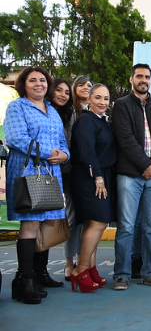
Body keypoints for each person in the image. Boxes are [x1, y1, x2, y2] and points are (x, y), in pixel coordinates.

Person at [4, 66, 69, 304]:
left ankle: (38, 276)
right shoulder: (18, 106)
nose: (38, 84)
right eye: (32, 80)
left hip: (51, 172)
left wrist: (63, 155)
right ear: (24, 84)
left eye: (42, 80)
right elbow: (15, 137)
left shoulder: (52, 110)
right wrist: (46, 152)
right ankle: (25, 281)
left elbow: (62, 142)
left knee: (45, 223)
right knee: (31, 223)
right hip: (28, 170)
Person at [111, 63, 151, 290]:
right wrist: (145, 164)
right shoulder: (121, 105)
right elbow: (125, 139)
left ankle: (150, 273)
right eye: (139, 76)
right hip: (129, 175)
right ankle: (122, 275)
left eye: (146, 77)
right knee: (127, 226)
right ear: (131, 79)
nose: (143, 80)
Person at [70, 84, 117, 292]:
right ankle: (79, 269)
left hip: (102, 175)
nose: (102, 102)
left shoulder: (103, 121)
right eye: (97, 97)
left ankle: (90, 267)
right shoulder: (85, 121)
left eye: (106, 99)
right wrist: (98, 177)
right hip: (91, 178)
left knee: (93, 224)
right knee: (98, 222)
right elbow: (87, 152)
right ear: (88, 99)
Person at [46, 78, 78, 282]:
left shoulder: (72, 113)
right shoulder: (44, 111)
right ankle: (39, 270)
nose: (63, 95)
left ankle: (71, 263)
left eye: (66, 92)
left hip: (70, 171)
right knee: (43, 221)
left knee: (74, 219)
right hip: (46, 172)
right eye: (59, 90)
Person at [65, 75, 93, 278]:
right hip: (72, 172)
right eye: (81, 85)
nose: (85, 88)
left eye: (89, 85)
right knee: (73, 218)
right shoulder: (69, 112)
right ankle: (68, 263)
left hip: (92, 175)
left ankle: (82, 262)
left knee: (88, 221)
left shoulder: (97, 113)